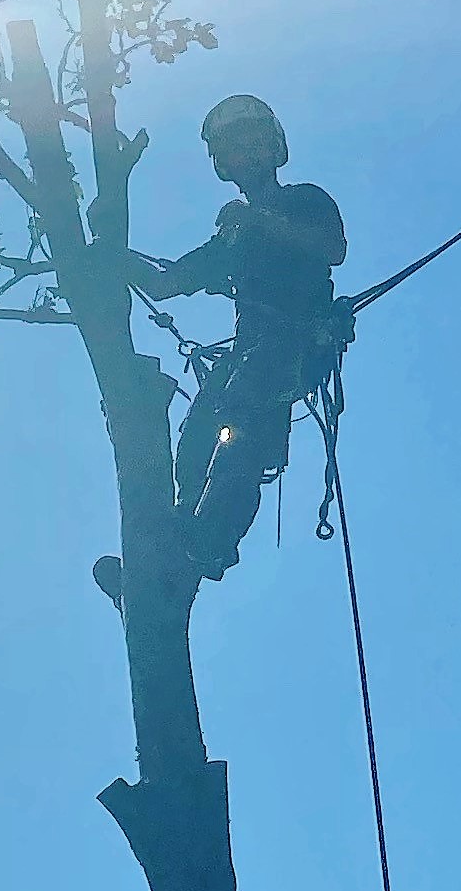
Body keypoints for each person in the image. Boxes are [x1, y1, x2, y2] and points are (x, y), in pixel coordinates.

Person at [134, 94, 349, 580]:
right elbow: (171, 280)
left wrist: (260, 223)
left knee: (243, 419)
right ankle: (179, 537)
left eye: (251, 144)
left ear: (274, 148)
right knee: (196, 440)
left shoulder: (303, 201)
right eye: (232, 150)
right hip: (247, 355)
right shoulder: (234, 234)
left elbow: (332, 248)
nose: (243, 157)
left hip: (296, 346)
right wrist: (110, 260)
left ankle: (212, 539)